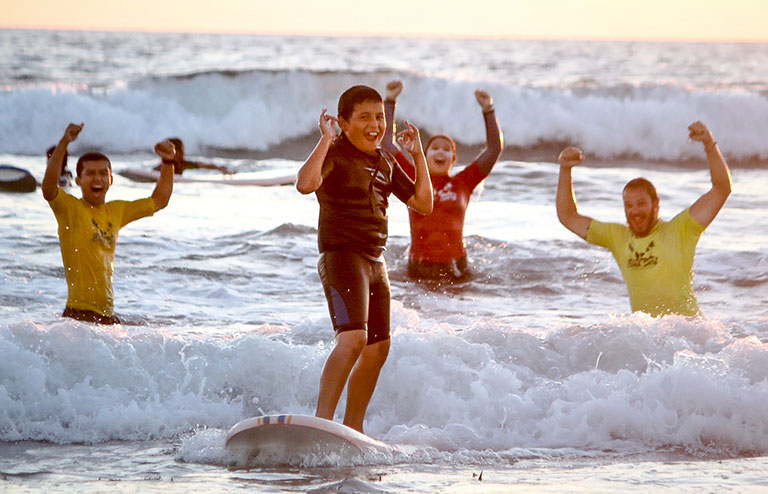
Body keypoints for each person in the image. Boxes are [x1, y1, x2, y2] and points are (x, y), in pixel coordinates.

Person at [296, 85, 433, 433]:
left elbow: (422, 204)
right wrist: (326, 139)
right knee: (354, 339)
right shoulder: (335, 154)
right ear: (343, 122)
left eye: (379, 117)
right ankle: (321, 423)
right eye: (364, 117)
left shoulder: (385, 161)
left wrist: (417, 156)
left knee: (378, 348)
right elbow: (305, 183)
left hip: (375, 262)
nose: (375, 124)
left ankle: (353, 429)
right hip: (342, 256)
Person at [555, 121, 732, 317]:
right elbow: (567, 216)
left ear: (656, 204)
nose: (635, 211)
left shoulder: (680, 229)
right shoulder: (618, 237)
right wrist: (565, 170)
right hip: (649, 338)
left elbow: (721, 188)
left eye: (641, 203)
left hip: (689, 333)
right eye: (629, 205)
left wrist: (709, 143)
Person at [42, 122, 176, 324]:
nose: (98, 178)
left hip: (107, 316)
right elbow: (48, 188)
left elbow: (159, 201)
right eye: (91, 173)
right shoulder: (69, 209)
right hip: (78, 316)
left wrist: (168, 162)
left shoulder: (117, 211)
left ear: (111, 179)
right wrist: (64, 144)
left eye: (103, 173)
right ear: (78, 180)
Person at [381, 80, 503, 283]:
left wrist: (488, 110)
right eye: (435, 147)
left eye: (446, 149)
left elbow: (494, 149)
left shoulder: (464, 182)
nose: (440, 151)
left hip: (456, 268)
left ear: (453, 159)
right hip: (418, 268)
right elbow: (386, 143)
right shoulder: (412, 174)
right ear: (424, 155)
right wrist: (390, 101)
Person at [152, 137, 232, 175]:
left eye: (182, 150)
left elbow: (203, 165)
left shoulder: (183, 164)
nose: (183, 152)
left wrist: (219, 168)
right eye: (179, 150)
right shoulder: (162, 167)